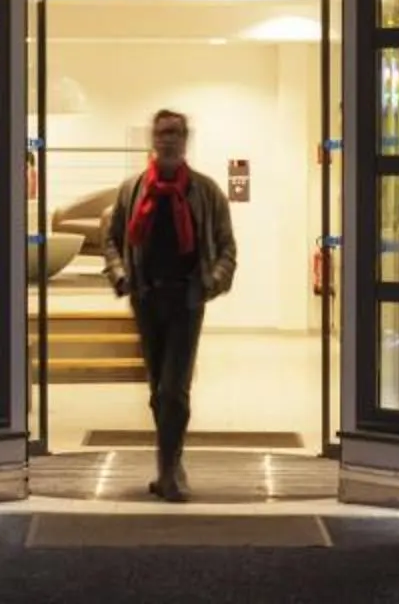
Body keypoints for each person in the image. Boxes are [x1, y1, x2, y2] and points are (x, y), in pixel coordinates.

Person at [102, 107, 237, 502]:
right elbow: (111, 237)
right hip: (146, 298)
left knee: (174, 388)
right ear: (152, 139)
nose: (168, 139)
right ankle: (168, 465)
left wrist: (212, 282)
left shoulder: (206, 191)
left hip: (187, 300)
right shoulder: (132, 190)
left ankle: (170, 469)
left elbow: (227, 247)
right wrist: (120, 274)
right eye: (162, 133)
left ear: (186, 138)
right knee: (157, 387)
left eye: (175, 132)